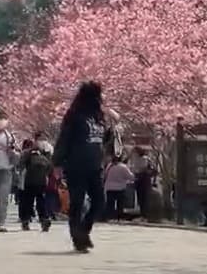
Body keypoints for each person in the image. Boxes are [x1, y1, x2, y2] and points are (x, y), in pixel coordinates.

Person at [53, 81, 114, 252]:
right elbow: (64, 139)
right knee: (77, 202)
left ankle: (84, 231)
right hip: (76, 165)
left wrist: (111, 132)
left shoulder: (99, 117)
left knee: (99, 201)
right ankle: (77, 236)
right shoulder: (74, 115)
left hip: (95, 165)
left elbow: (102, 140)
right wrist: (57, 163)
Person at [19, 139, 53, 231]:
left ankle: (25, 220)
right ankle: (44, 219)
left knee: (28, 202)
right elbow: (50, 167)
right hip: (41, 181)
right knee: (41, 200)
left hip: (29, 181)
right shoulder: (45, 154)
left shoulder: (27, 153)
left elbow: (21, 166)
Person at [103, 155, 134, 221]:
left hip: (109, 187)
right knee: (120, 204)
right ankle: (119, 217)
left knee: (110, 204)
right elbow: (130, 177)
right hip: (120, 188)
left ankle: (109, 217)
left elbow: (105, 175)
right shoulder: (123, 167)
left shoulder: (109, 166)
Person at [128, 146, 153, 220]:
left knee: (144, 197)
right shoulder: (136, 159)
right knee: (140, 197)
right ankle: (143, 214)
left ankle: (145, 215)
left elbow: (143, 168)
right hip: (138, 179)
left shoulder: (144, 158)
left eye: (134, 152)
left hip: (143, 179)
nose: (133, 154)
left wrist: (136, 171)